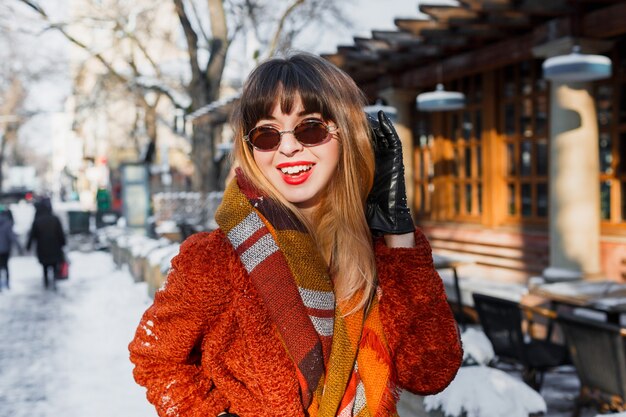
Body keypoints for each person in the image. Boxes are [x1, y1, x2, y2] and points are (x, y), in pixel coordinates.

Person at [129, 52, 462, 417]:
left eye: (310, 128)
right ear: (251, 149)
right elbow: (155, 359)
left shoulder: (379, 255)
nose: (288, 147)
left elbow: (431, 371)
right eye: (267, 134)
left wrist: (399, 238)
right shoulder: (215, 258)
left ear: (346, 134)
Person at [26, 199, 66, 288]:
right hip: (55, 247)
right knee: (55, 265)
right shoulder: (55, 219)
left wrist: (28, 246)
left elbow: (32, 235)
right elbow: (60, 233)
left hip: (42, 249)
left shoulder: (37, 221)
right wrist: (63, 243)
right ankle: (54, 282)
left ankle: (46, 283)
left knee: (45, 267)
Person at [0, 208, 22, 289]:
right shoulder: (7, 224)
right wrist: (19, 247)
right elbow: (12, 237)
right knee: (5, 266)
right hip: (5, 249)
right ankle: (7, 283)